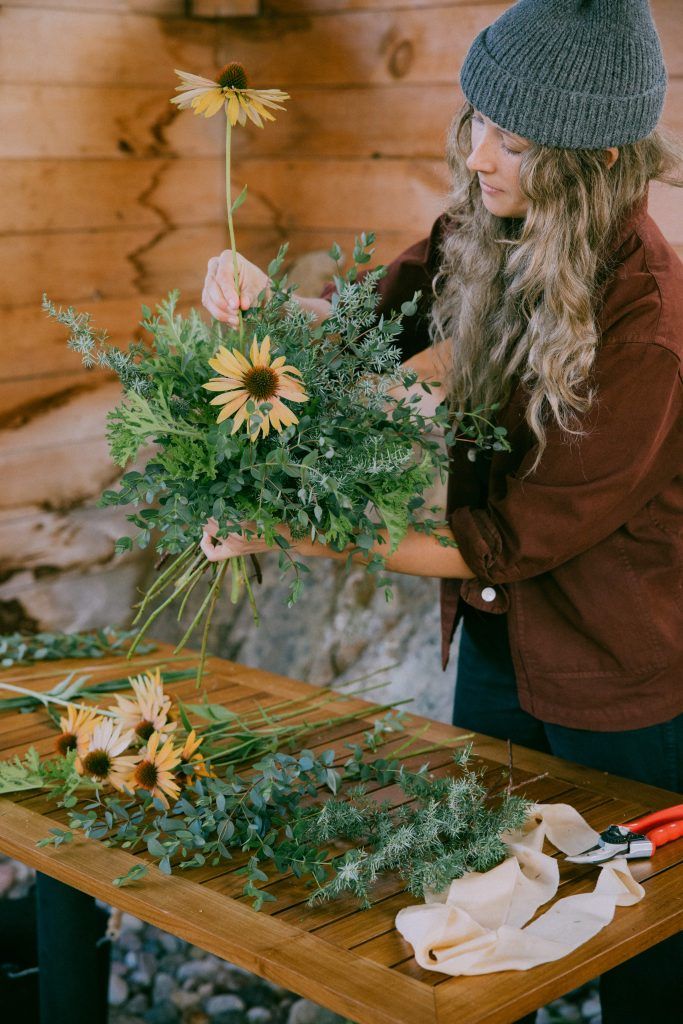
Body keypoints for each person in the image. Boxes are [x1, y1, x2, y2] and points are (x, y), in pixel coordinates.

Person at [200, 1, 682, 1020]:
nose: (477, 156)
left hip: (619, 680)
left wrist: (305, 532)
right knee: (481, 904)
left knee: (641, 947)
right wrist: (267, 304)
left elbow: (507, 541)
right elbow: (368, 326)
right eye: (477, 121)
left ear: (595, 160)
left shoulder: (647, 330)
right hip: (500, 645)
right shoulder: (484, 228)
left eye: (514, 141)